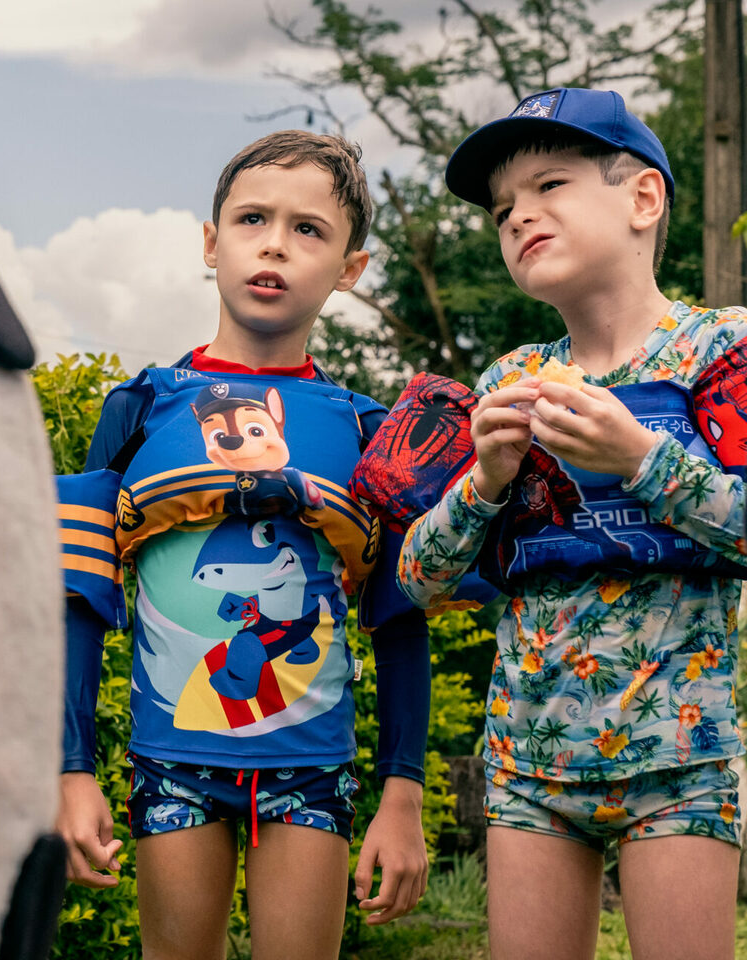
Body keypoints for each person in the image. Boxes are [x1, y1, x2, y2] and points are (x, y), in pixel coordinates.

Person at [53, 130, 431, 960]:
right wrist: (72, 770)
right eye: (253, 217)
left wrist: (402, 794)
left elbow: (401, 620)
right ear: (210, 242)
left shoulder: (371, 431)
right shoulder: (140, 407)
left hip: (312, 770)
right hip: (171, 761)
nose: (274, 243)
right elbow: (77, 599)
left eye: (309, 230)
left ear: (350, 269)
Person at [393, 87, 747, 960]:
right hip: (527, 762)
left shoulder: (721, 351)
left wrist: (640, 459)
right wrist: (484, 480)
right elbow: (419, 581)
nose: (520, 218)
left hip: (684, 759)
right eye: (505, 209)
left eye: (549, 185)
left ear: (643, 198)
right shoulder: (511, 379)